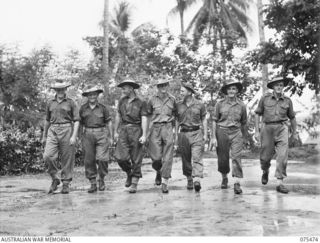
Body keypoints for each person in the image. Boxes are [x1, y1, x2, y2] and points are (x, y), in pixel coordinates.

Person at [254, 76, 298, 194]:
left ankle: (280, 183)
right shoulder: (265, 98)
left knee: (282, 156)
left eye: (281, 85)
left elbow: (292, 117)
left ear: (283, 87)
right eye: (277, 85)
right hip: (267, 128)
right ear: (273, 87)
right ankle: (265, 170)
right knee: (265, 157)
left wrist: (294, 133)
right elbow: (257, 114)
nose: (279, 87)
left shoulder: (287, 101)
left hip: (282, 128)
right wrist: (257, 131)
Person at [42, 79, 80, 194]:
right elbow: (47, 120)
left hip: (67, 129)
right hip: (53, 129)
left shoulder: (71, 102)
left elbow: (77, 120)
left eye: (62, 89)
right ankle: (55, 178)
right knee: (48, 156)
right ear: (55, 90)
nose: (60, 91)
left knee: (67, 158)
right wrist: (44, 136)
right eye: (58, 89)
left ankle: (66, 183)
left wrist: (74, 136)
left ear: (65, 89)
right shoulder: (50, 102)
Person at [211, 80, 248, 194]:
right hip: (222, 131)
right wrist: (213, 137)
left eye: (234, 89)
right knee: (223, 158)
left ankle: (237, 183)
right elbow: (214, 120)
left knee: (236, 157)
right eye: (229, 89)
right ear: (226, 91)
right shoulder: (220, 104)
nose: (231, 91)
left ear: (237, 91)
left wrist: (245, 138)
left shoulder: (241, 105)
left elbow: (244, 122)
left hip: (236, 132)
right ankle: (224, 178)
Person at [114, 79, 148, 193]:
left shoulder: (141, 102)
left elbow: (144, 118)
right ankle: (129, 172)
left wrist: (144, 134)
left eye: (124, 88)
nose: (123, 90)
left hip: (136, 129)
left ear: (131, 88)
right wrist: (115, 131)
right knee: (120, 157)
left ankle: (134, 183)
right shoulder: (122, 101)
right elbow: (118, 115)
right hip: (123, 129)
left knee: (136, 157)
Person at [79, 84, 113, 193]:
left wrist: (111, 137)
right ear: (87, 96)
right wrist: (79, 137)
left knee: (102, 159)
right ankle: (93, 183)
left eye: (94, 94)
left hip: (101, 133)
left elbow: (109, 122)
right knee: (89, 160)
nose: (92, 96)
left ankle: (101, 178)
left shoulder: (103, 108)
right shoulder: (83, 108)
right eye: (90, 95)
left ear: (97, 95)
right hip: (87, 134)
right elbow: (79, 123)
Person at [146, 79, 178, 193]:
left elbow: (176, 116)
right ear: (157, 87)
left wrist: (176, 134)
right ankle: (158, 171)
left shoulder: (173, 99)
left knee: (168, 156)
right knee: (156, 158)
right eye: (160, 85)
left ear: (168, 86)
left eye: (165, 85)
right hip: (155, 128)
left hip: (168, 127)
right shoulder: (152, 100)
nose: (163, 87)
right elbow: (148, 116)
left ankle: (165, 182)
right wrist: (146, 133)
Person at [176, 83, 207, 192]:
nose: (181, 93)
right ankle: (189, 178)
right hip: (183, 134)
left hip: (197, 132)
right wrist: (176, 135)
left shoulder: (200, 104)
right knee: (186, 159)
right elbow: (177, 121)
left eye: (182, 91)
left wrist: (205, 134)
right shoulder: (178, 105)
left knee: (197, 157)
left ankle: (197, 179)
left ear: (189, 92)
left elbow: (204, 118)